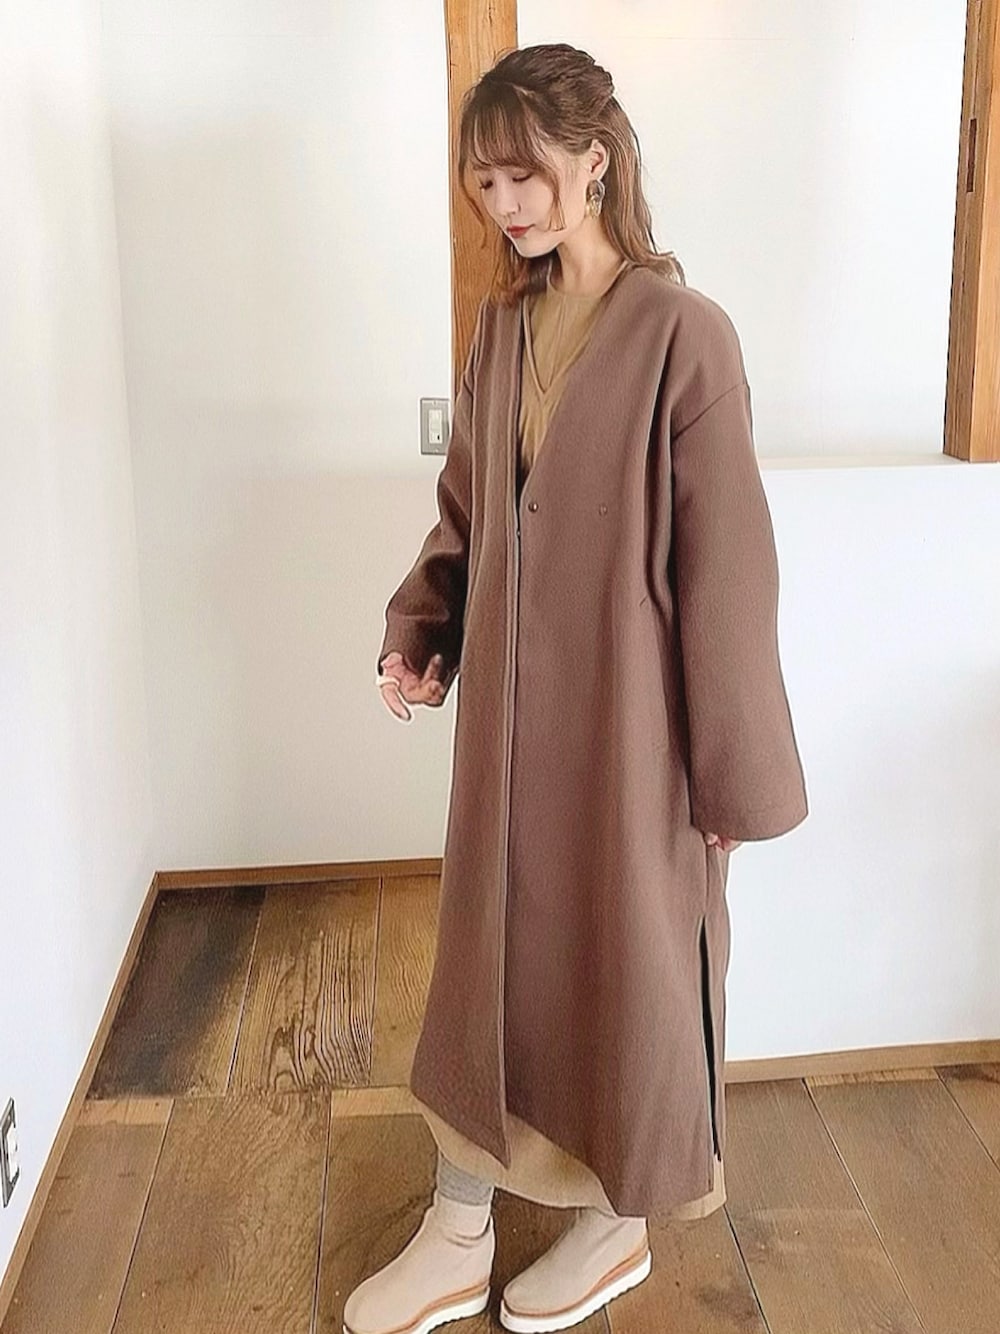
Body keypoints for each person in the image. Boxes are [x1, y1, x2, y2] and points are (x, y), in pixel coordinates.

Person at [347, 41, 808, 1334]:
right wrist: (422, 631)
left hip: (637, 735)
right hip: (505, 728)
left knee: (631, 975)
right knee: (482, 968)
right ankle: (458, 1224)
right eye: (486, 185)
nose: (506, 205)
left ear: (594, 158)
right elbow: (467, 513)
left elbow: (730, 571)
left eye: (525, 174)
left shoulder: (683, 336)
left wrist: (730, 778)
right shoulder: (501, 329)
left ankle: (617, 1227)